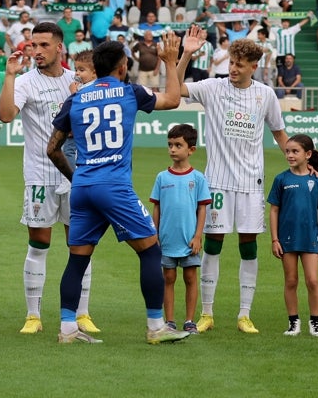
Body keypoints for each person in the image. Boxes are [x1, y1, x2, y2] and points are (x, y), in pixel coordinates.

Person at [46, 32, 203, 345]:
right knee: (150, 250)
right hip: (114, 186)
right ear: (122, 67)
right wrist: (170, 61)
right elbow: (173, 100)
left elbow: (52, 149)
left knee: (77, 259)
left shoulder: (76, 98)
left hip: (83, 186)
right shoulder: (130, 92)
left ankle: (67, 329)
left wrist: (76, 178)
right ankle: (156, 326)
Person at [184, 37, 290, 335]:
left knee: (248, 245)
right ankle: (207, 313)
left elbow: (280, 134)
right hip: (217, 182)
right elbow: (177, 89)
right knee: (213, 244)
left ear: (253, 67)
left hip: (250, 183)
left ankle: (244, 315)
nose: (232, 68)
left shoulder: (265, 95)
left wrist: (302, 163)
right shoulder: (213, 87)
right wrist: (186, 54)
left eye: (239, 65)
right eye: (231, 62)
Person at [0, 21, 96, 335]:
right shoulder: (25, 82)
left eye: (43, 45)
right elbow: (5, 116)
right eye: (33, 46)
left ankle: (82, 314)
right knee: (39, 244)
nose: (37, 51)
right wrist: (9, 76)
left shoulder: (76, 79)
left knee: (79, 245)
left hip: (75, 176)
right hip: (40, 175)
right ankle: (33, 316)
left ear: (59, 47)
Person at [150, 124, 210, 335]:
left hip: (189, 240)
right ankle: (170, 321)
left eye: (178, 145)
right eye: (170, 145)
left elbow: (202, 209)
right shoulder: (162, 177)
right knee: (168, 278)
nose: (172, 149)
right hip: (167, 239)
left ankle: (190, 321)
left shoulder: (198, 178)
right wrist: (155, 234)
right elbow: (157, 208)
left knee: (190, 278)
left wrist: (198, 236)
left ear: (191, 149)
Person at [268, 134, 318, 337]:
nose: (290, 155)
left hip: (310, 238)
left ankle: (315, 323)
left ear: (308, 154)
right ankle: (293, 322)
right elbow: (274, 210)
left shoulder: (317, 180)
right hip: (287, 239)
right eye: (287, 151)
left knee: (313, 281)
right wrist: (275, 239)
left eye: (295, 151)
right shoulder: (281, 179)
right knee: (291, 281)